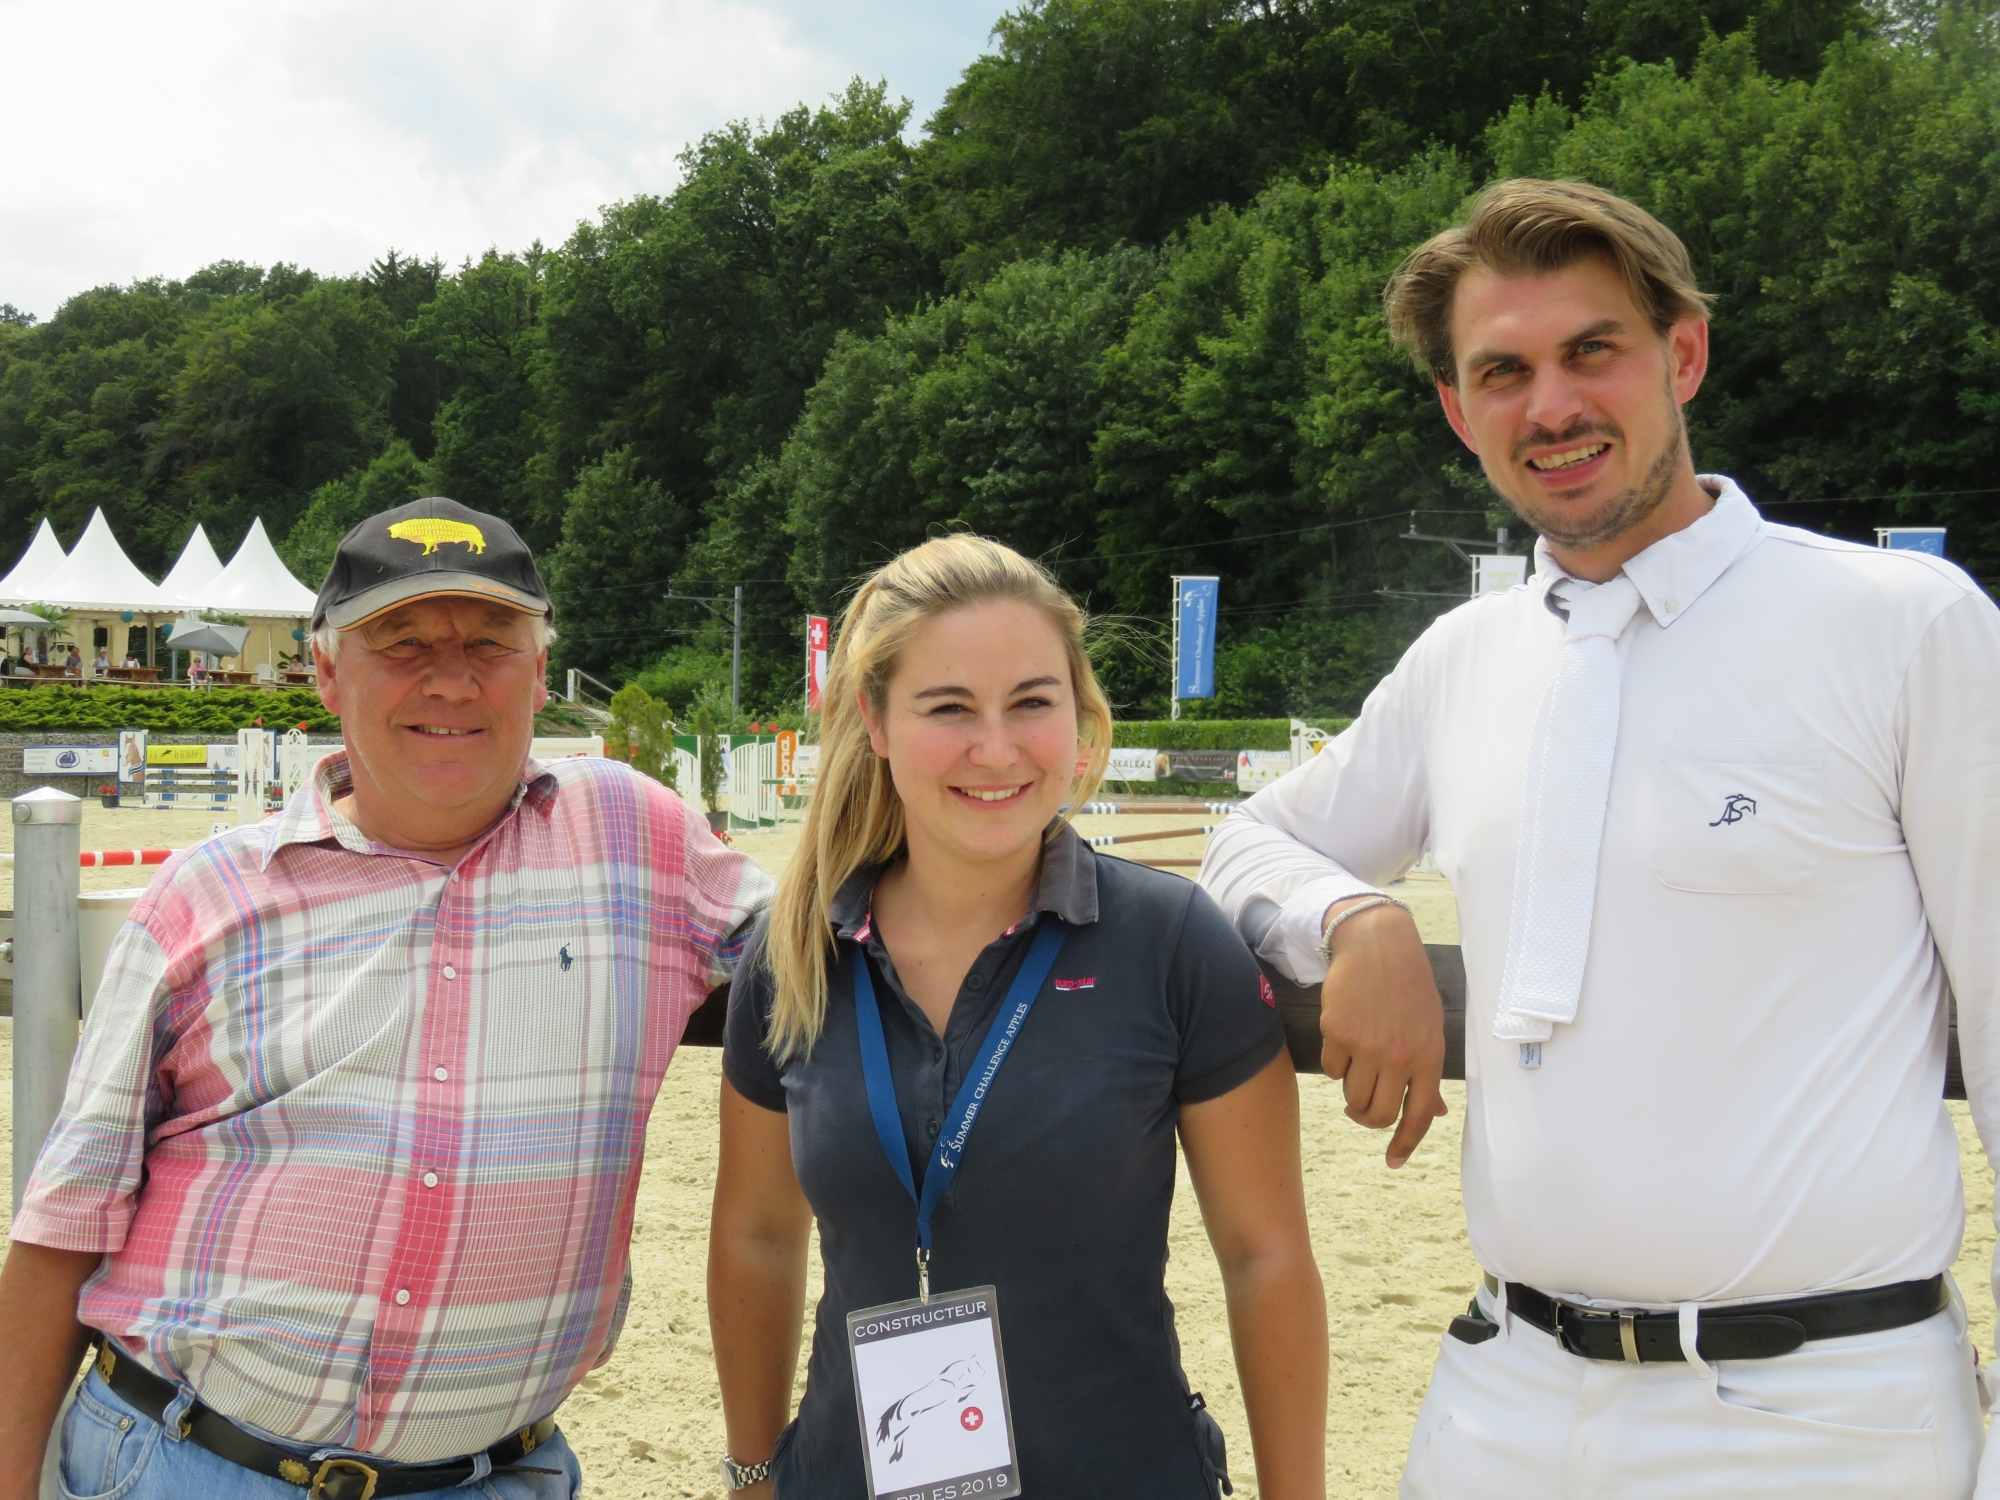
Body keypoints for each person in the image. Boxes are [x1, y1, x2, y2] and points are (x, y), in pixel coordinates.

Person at [1197, 177, 2000, 1497]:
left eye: (1592, 352)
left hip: (1825, 1415)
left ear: (1682, 355)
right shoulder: (1465, 656)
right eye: (1500, 373)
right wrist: (1356, 916)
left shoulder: (1904, 624)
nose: (1551, 407)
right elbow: (1250, 841)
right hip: (1504, 1397)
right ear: (1460, 414)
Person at [0, 495, 774, 1500]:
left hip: (495, 1475)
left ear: (541, 670)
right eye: (399, 641)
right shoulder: (207, 896)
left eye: (490, 642)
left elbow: (836, 952)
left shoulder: (644, 843)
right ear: (325, 671)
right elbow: (64, 1223)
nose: (449, 678)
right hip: (186, 1462)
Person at [710, 535, 1327, 1500]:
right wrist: (752, 1474)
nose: (994, 750)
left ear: (1079, 719)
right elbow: (754, 1232)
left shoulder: (1170, 944)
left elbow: (1265, 1257)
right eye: (948, 708)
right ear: (873, 719)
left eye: (1032, 703)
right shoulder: (795, 960)